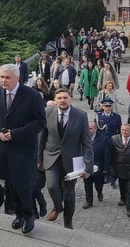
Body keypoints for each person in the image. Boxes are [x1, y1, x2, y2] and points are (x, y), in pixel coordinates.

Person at [0, 64, 47, 234]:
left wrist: (15, 134)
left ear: (17, 78)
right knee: (10, 185)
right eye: (1, 77)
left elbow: (39, 122)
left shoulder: (32, 96)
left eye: (7, 78)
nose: (3, 81)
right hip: (3, 148)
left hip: (24, 149)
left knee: (23, 184)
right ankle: (18, 213)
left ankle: (29, 215)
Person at [37, 89, 93, 230]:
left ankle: (68, 222)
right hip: (50, 157)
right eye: (59, 98)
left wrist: (88, 166)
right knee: (51, 186)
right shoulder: (47, 112)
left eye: (65, 97)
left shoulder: (81, 115)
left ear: (71, 99)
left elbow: (86, 142)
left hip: (71, 160)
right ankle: (57, 207)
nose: (62, 100)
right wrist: (39, 159)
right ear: (55, 100)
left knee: (69, 193)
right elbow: (41, 138)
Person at [95, 97, 122, 188]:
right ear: (102, 107)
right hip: (102, 142)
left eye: (109, 106)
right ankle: (104, 176)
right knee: (102, 159)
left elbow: (119, 131)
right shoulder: (98, 117)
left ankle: (113, 178)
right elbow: (96, 130)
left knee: (112, 160)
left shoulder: (116, 117)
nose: (107, 108)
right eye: (106, 106)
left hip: (112, 141)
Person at [82, 120, 110, 208]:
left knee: (98, 184)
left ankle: (99, 192)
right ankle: (89, 201)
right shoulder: (83, 138)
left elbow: (107, 155)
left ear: (96, 129)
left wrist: (106, 168)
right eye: (87, 128)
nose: (89, 130)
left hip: (99, 168)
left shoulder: (104, 140)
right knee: (87, 184)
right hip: (87, 167)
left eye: (90, 128)